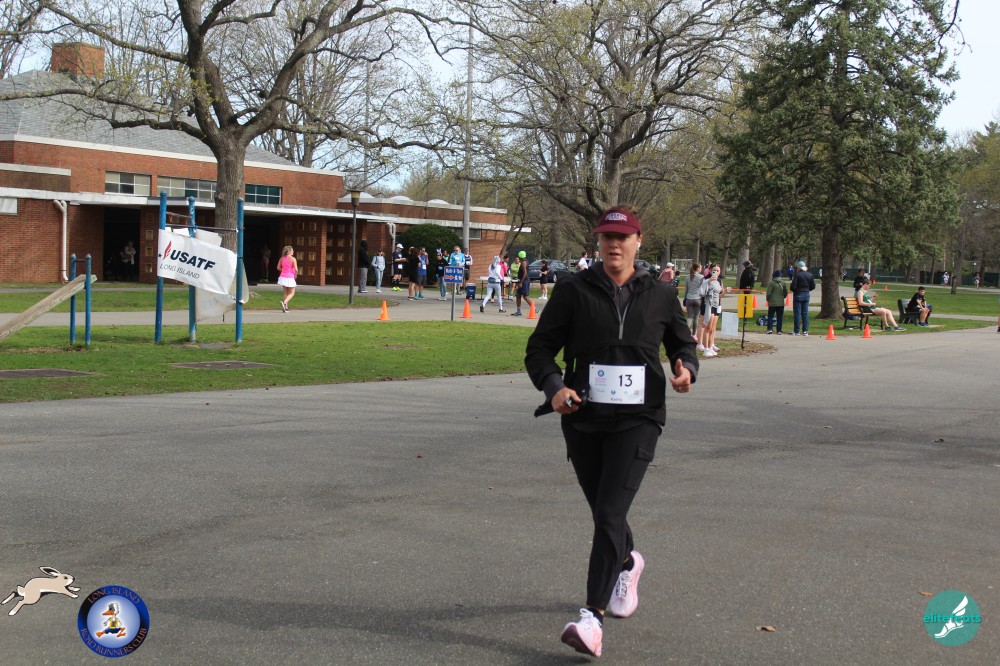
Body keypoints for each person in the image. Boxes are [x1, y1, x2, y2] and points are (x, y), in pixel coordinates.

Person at [524, 204, 697, 658]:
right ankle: (627, 561)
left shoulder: (661, 293)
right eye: (607, 237)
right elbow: (539, 349)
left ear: (639, 241)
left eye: (622, 237)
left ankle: (592, 619)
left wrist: (686, 369)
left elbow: (682, 343)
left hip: (639, 419)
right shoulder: (573, 290)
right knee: (606, 512)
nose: (614, 244)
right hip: (583, 417)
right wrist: (555, 388)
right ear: (598, 242)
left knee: (608, 514)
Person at [698, 265, 723, 356]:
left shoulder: (719, 281)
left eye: (717, 270)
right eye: (714, 270)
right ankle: (705, 349)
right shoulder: (706, 280)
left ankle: (710, 347)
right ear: (710, 271)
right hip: (708, 305)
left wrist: (725, 291)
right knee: (707, 327)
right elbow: (701, 292)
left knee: (711, 328)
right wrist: (709, 282)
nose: (716, 272)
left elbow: (720, 293)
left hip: (715, 305)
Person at [789, 261, 816, 336]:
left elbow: (793, 286)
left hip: (798, 294)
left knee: (797, 314)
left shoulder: (797, 275)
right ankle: (805, 331)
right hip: (806, 294)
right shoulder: (809, 275)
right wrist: (807, 289)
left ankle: (797, 331)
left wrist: (794, 289)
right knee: (805, 314)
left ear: (799, 267)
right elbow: (813, 286)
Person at [683, 263, 704, 337]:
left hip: (689, 298)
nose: (701, 269)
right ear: (698, 268)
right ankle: (694, 334)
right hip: (698, 298)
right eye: (700, 268)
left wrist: (685, 298)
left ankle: (686, 334)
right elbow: (702, 289)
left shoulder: (687, 277)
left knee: (689, 317)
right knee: (696, 318)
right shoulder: (701, 277)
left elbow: (686, 289)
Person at [511, 250, 534, 316]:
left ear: (519, 257)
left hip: (524, 282)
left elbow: (525, 273)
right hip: (521, 281)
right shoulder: (524, 262)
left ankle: (535, 309)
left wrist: (521, 282)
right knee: (518, 295)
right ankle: (518, 311)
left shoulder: (524, 262)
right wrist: (518, 278)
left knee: (525, 297)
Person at [765, 269, 788, 334]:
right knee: (779, 317)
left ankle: (770, 329)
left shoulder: (772, 283)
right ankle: (779, 330)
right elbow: (785, 292)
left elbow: (769, 293)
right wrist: (783, 297)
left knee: (770, 316)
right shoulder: (783, 283)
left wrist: (768, 299)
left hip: (772, 303)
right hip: (781, 303)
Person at [276, 245, 297, 312]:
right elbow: (296, 269)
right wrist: (295, 274)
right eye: (292, 250)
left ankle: (286, 307)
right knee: (292, 292)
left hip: (283, 277)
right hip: (290, 277)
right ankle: (284, 302)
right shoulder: (293, 259)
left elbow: (278, 268)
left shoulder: (282, 258)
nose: (293, 251)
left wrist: (284, 270)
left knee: (286, 292)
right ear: (289, 251)